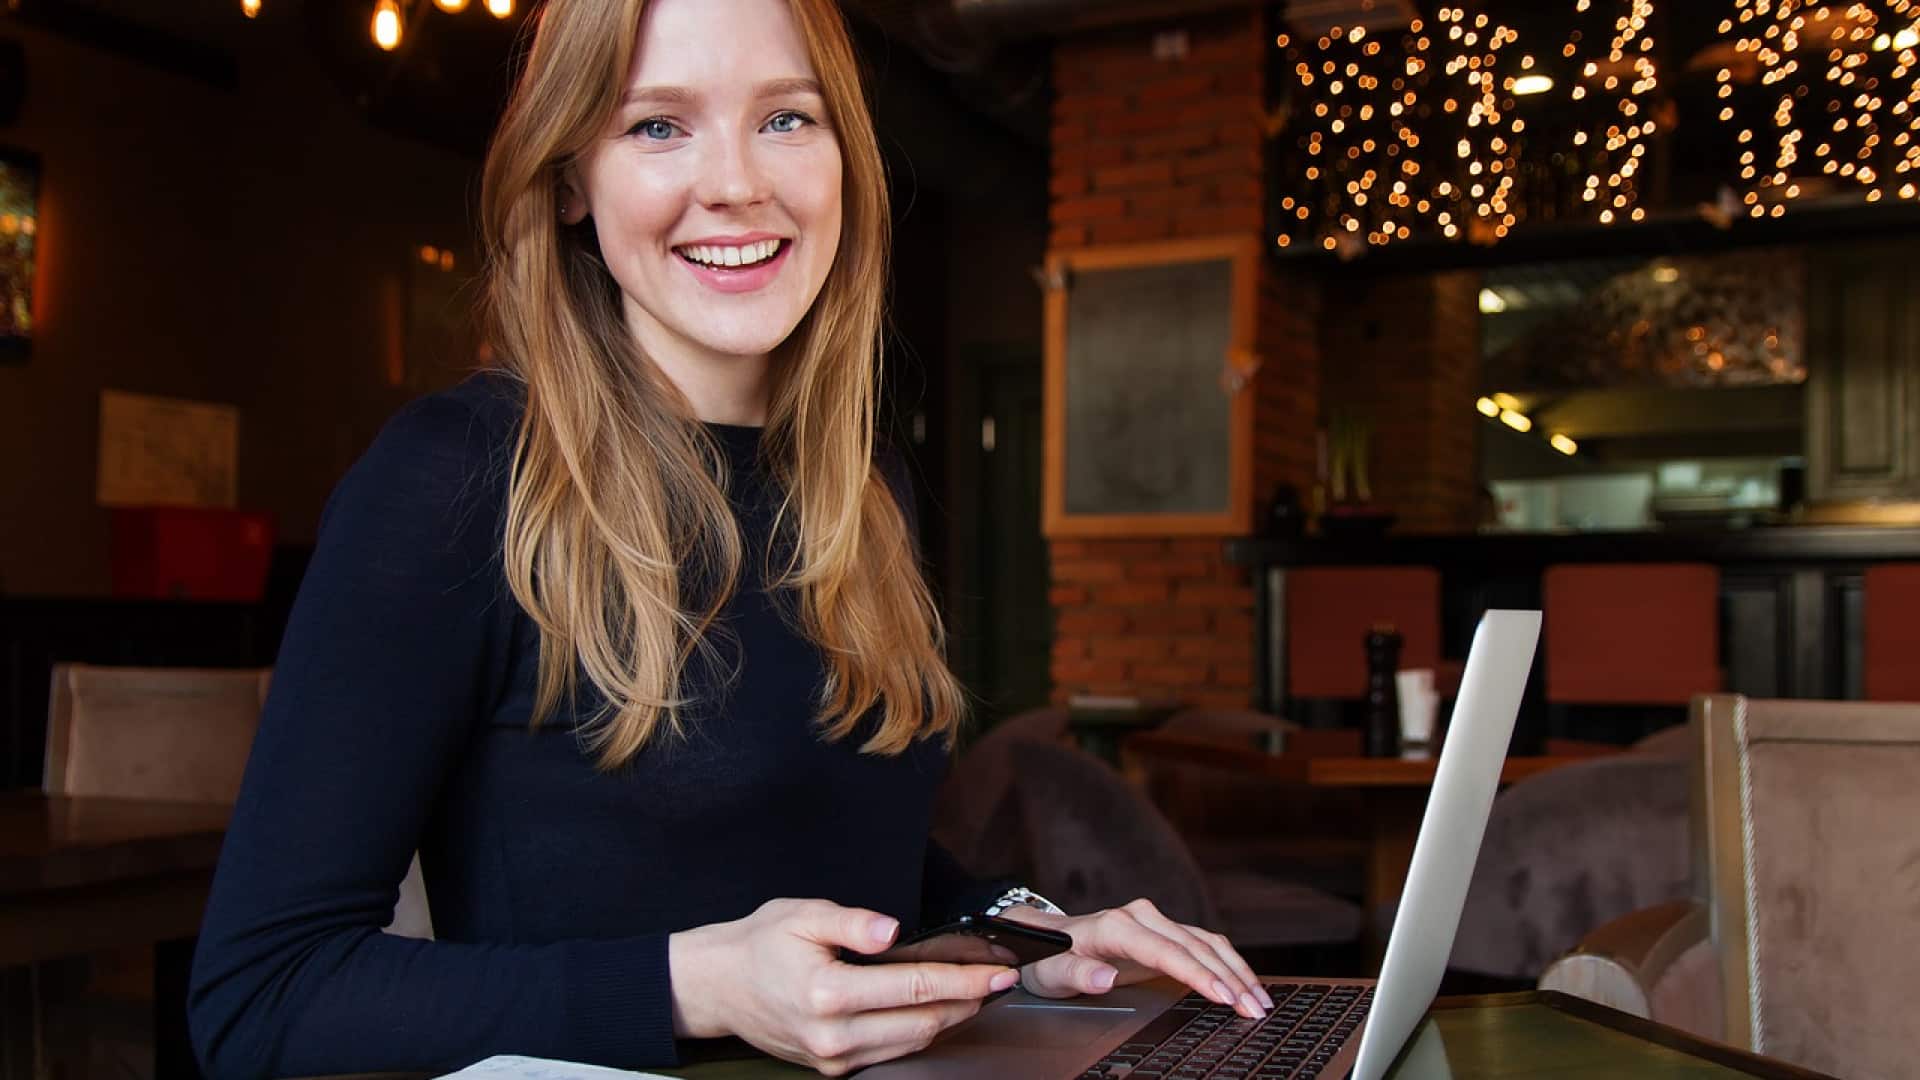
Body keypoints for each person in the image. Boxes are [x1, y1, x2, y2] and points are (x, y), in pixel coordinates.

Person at [186, 0, 1273, 1075]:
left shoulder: (861, 484)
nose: (739, 184)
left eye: (787, 119)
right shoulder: (452, 480)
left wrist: (1032, 937)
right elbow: (262, 995)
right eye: (657, 125)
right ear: (569, 180)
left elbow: (836, 856)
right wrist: (690, 989)